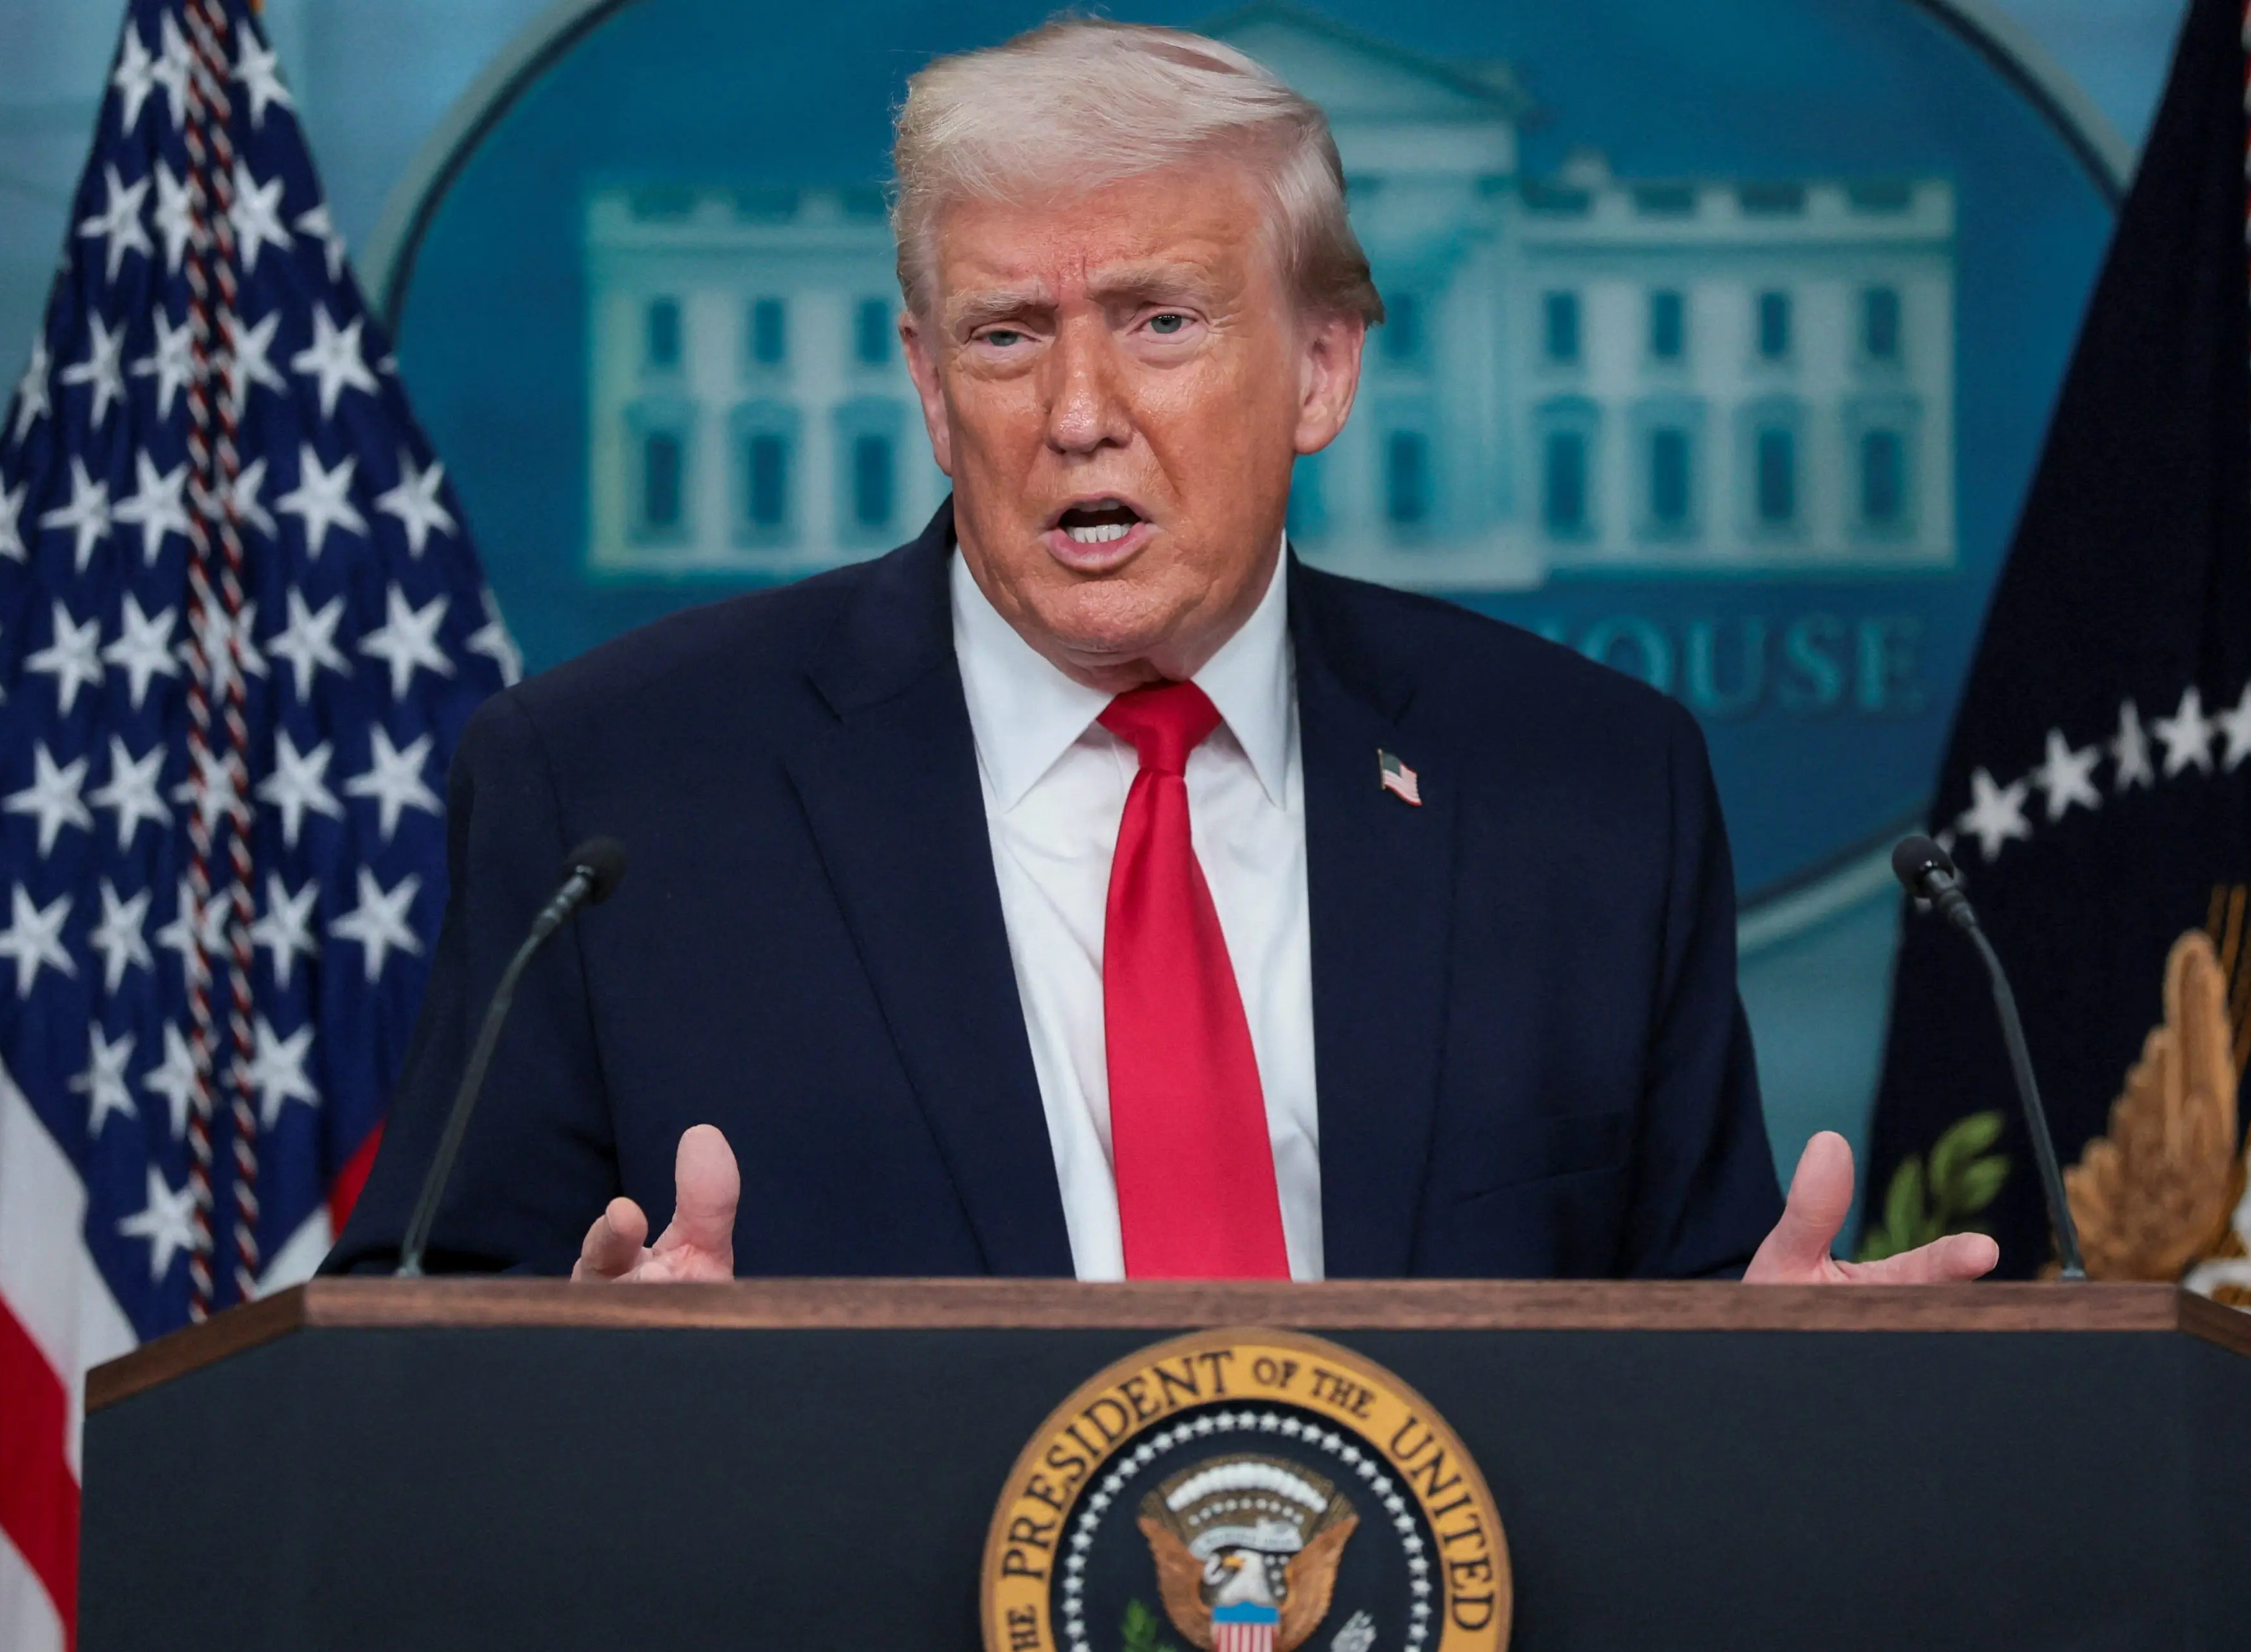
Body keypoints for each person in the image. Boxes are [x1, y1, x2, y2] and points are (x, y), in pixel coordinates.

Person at [325, 20, 1994, 1290]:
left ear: (1324, 369)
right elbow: (417, 1354)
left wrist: (1767, 1391)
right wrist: (558, 1376)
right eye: (1005, 334)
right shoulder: (616, 794)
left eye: (1159, 322)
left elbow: (1675, 1351)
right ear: (927, 380)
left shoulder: (1586, 784)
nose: (1074, 412)